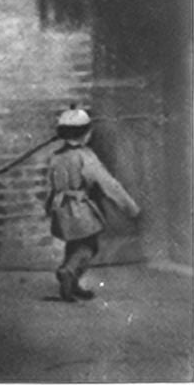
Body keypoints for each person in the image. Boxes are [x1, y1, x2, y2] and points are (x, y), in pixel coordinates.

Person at [45, 105, 141, 302]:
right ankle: (68, 271)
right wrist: (130, 208)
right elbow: (109, 185)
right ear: (85, 135)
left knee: (73, 243)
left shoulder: (56, 156)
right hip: (80, 207)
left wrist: (49, 208)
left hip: (61, 208)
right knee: (89, 245)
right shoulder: (86, 156)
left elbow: (50, 185)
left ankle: (71, 284)